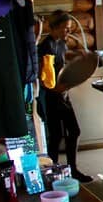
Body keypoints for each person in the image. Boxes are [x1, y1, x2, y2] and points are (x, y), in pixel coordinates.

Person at [37, 11, 93, 183]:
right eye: (65, 28)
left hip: (62, 95)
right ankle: (52, 172)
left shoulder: (61, 42)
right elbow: (43, 76)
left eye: (69, 28)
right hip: (51, 97)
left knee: (73, 131)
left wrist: (77, 55)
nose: (68, 31)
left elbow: (62, 58)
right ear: (54, 27)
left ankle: (71, 169)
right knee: (56, 136)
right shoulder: (45, 47)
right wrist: (57, 88)